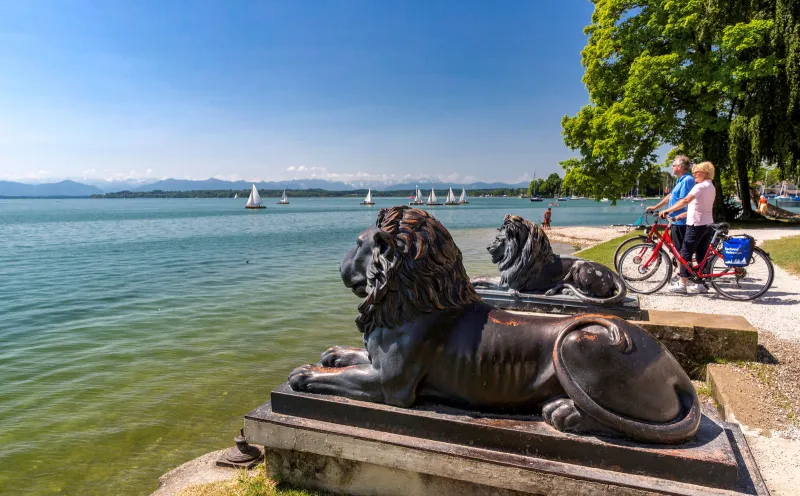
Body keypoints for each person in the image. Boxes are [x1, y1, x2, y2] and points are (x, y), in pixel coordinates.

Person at [658, 161, 717, 294]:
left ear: (706, 173)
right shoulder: (711, 186)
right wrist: (681, 215)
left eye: (697, 172)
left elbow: (685, 201)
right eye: (694, 171)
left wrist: (668, 211)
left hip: (695, 225)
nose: (694, 174)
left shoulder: (699, 187)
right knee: (702, 254)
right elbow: (699, 207)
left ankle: (682, 284)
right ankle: (700, 284)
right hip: (707, 224)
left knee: (685, 253)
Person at [647, 155, 694, 254]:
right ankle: (679, 269)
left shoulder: (687, 180)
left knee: (680, 252)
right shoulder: (679, 180)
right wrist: (656, 207)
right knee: (676, 250)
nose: (672, 167)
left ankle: (682, 270)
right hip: (675, 220)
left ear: (680, 167)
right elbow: (670, 196)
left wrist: (667, 211)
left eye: (673, 165)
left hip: (682, 221)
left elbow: (683, 201)